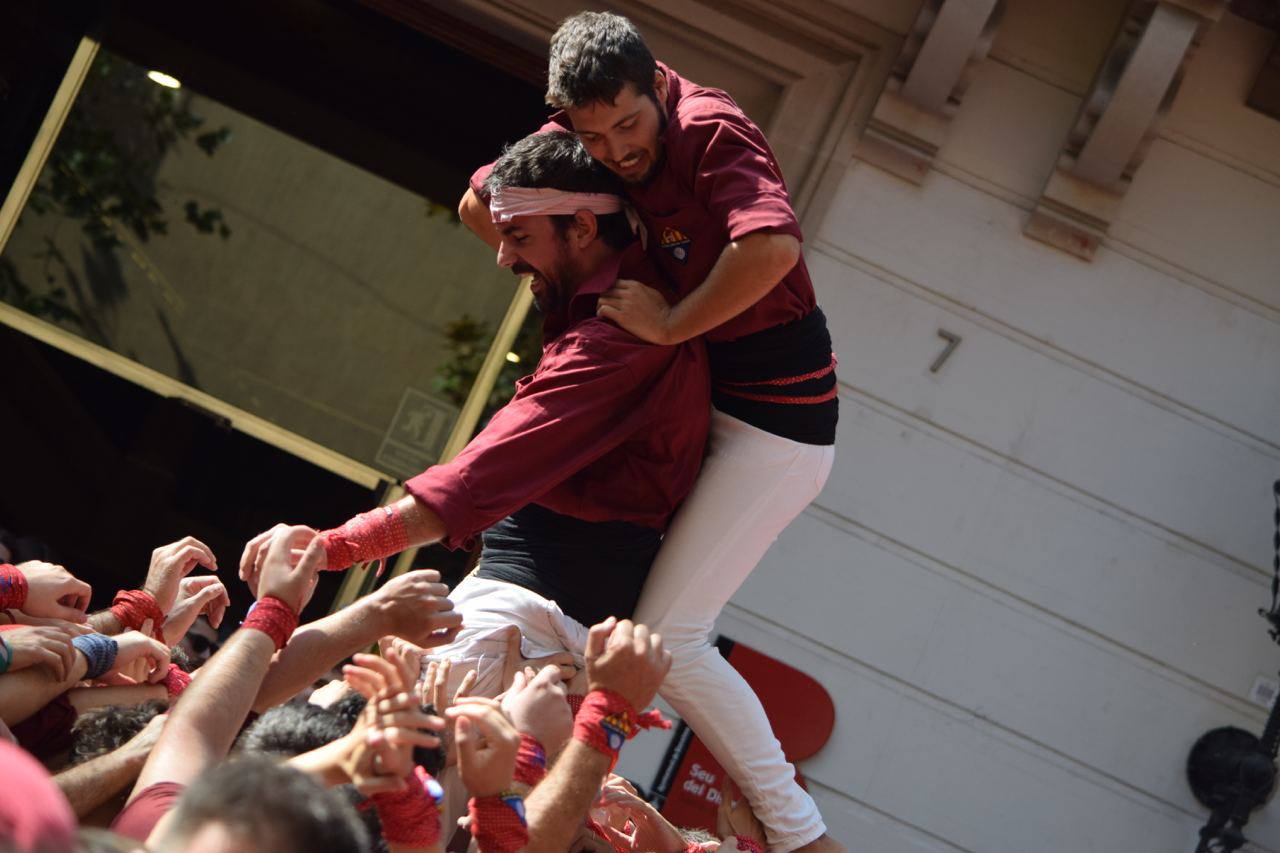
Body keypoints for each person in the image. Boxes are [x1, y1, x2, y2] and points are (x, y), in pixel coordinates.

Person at [458, 12, 840, 852]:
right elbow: (480, 204)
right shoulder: (581, 134)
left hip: (775, 425)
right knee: (624, 629)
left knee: (668, 636)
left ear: (657, 85)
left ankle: (802, 835)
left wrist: (669, 323)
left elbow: (772, 248)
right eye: (594, 135)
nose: (616, 149)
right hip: (695, 402)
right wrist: (576, 281)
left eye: (630, 125)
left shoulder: (709, 125)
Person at [240, 130, 710, 698]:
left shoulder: (615, 345)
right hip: (518, 615)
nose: (503, 255)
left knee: (321, 726)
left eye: (518, 236)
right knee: (322, 714)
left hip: (521, 625)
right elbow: (474, 203)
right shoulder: (606, 302)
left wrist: (331, 547)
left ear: (584, 227)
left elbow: (472, 480)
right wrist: (583, 118)